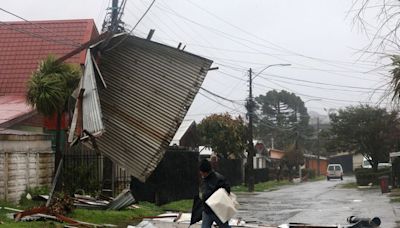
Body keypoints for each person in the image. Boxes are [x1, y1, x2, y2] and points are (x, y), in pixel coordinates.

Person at [198, 158, 231, 228]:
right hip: (207, 210)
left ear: (206, 172)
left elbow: (227, 190)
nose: (201, 174)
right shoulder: (205, 179)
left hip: (217, 211)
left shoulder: (218, 179)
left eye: (202, 172)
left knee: (224, 226)